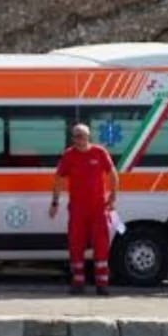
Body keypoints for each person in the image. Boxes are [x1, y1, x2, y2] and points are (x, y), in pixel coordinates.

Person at [51, 124, 120, 296]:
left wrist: (113, 195)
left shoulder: (99, 152)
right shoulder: (69, 155)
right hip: (77, 210)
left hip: (98, 209)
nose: (78, 139)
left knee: (101, 245)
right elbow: (59, 179)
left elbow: (112, 173)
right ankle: (78, 283)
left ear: (88, 137)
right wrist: (55, 202)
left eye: (81, 136)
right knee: (76, 245)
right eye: (75, 136)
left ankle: (102, 284)